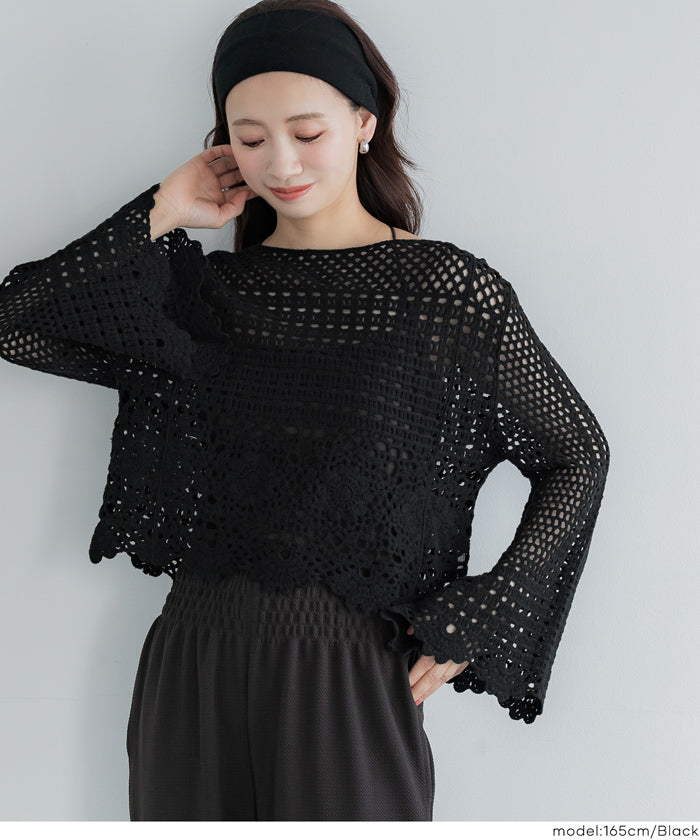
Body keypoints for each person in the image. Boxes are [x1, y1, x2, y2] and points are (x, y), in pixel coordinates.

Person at [0, 0, 610, 823]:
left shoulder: (444, 295)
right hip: (194, 660)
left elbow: (576, 453)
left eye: (306, 131)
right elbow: (16, 323)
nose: (279, 162)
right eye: (249, 139)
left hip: (350, 669)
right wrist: (162, 210)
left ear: (364, 123)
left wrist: (490, 610)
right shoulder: (202, 297)